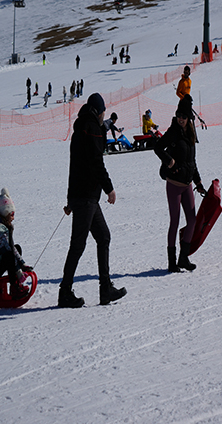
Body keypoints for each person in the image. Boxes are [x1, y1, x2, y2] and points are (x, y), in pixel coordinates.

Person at [60, 93, 126, 308]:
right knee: (78, 245)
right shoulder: (93, 130)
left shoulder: (79, 129)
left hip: (83, 196)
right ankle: (65, 292)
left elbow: (72, 166)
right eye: (103, 111)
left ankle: (105, 289)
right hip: (87, 196)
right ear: (98, 112)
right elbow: (97, 163)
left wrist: (70, 198)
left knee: (103, 236)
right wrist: (109, 188)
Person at [155, 95, 207, 272]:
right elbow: (157, 147)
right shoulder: (173, 131)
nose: (181, 119)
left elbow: (193, 162)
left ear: (189, 118)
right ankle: (171, 263)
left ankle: (183, 258)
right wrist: (169, 161)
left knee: (192, 220)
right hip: (174, 184)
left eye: (184, 117)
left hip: (187, 185)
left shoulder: (191, 134)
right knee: (175, 222)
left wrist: (198, 182)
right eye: (179, 115)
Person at [0, 188, 33, 299]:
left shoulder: (3, 226)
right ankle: (15, 288)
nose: (14, 217)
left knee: (16, 248)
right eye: (12, 214)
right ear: (6, 214)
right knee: (9, 254)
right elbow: (8, 250)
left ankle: (15, 284)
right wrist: (19, 269)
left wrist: (22, 264)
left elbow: (12, 248)